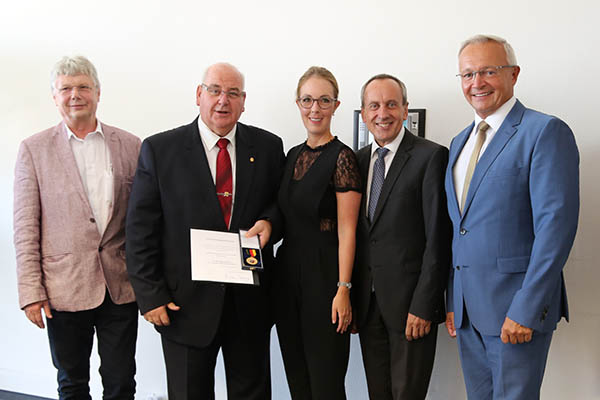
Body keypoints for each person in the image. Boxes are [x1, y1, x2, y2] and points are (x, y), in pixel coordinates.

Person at [125, 62, 285, 400]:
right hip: (184, 305)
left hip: (249, 304)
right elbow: (140, 231)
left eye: (233, 93)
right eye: (214, 90)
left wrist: (270, 222)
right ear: (199, 95)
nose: (222, 101)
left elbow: (280, 205)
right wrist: (150, 295)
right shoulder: (160, 150)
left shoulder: (268, 147)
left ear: (244, 101)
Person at [445, 34, 580, 399]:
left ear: (514, 74)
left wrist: (527, 307)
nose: (477, 83)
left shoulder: (544, 132)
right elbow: (461, 230)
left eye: (488, 71)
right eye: (468, 74)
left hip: (514, 311)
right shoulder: (459, 143)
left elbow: (556, 228)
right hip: (469, 313)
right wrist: (453, 302)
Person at [13, 55, 140, 399]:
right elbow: (25, 227)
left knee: (121, 382)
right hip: (62, 290)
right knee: (71, 383)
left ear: (98, 93)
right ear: (54, 96)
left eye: (84, 86)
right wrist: (30, 292)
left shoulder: (131, 146)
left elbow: (144, 221)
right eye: (66, 88)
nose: (75, 95)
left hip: (120, 286)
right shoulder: (33, 150)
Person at [353, 74, 451, 399]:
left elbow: (438, 238)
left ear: (405, 109)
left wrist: (425, 304)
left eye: (391, 104)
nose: (383, 113)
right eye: (375, 106)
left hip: (411, 308)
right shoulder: (357, 161)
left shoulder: (430, 157)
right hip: (368, 308)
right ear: (364, 114)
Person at [274, 66, 361, 399]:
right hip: (287, 278)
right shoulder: (292, 155)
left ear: (336, 105)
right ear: (297, 103)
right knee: (297, 377)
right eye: (308, 100)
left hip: (325, 279)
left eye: (324, 100)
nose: (315, 108)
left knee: (325, 381)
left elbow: (348, 230)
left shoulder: (343, 158)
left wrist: (343, 289)